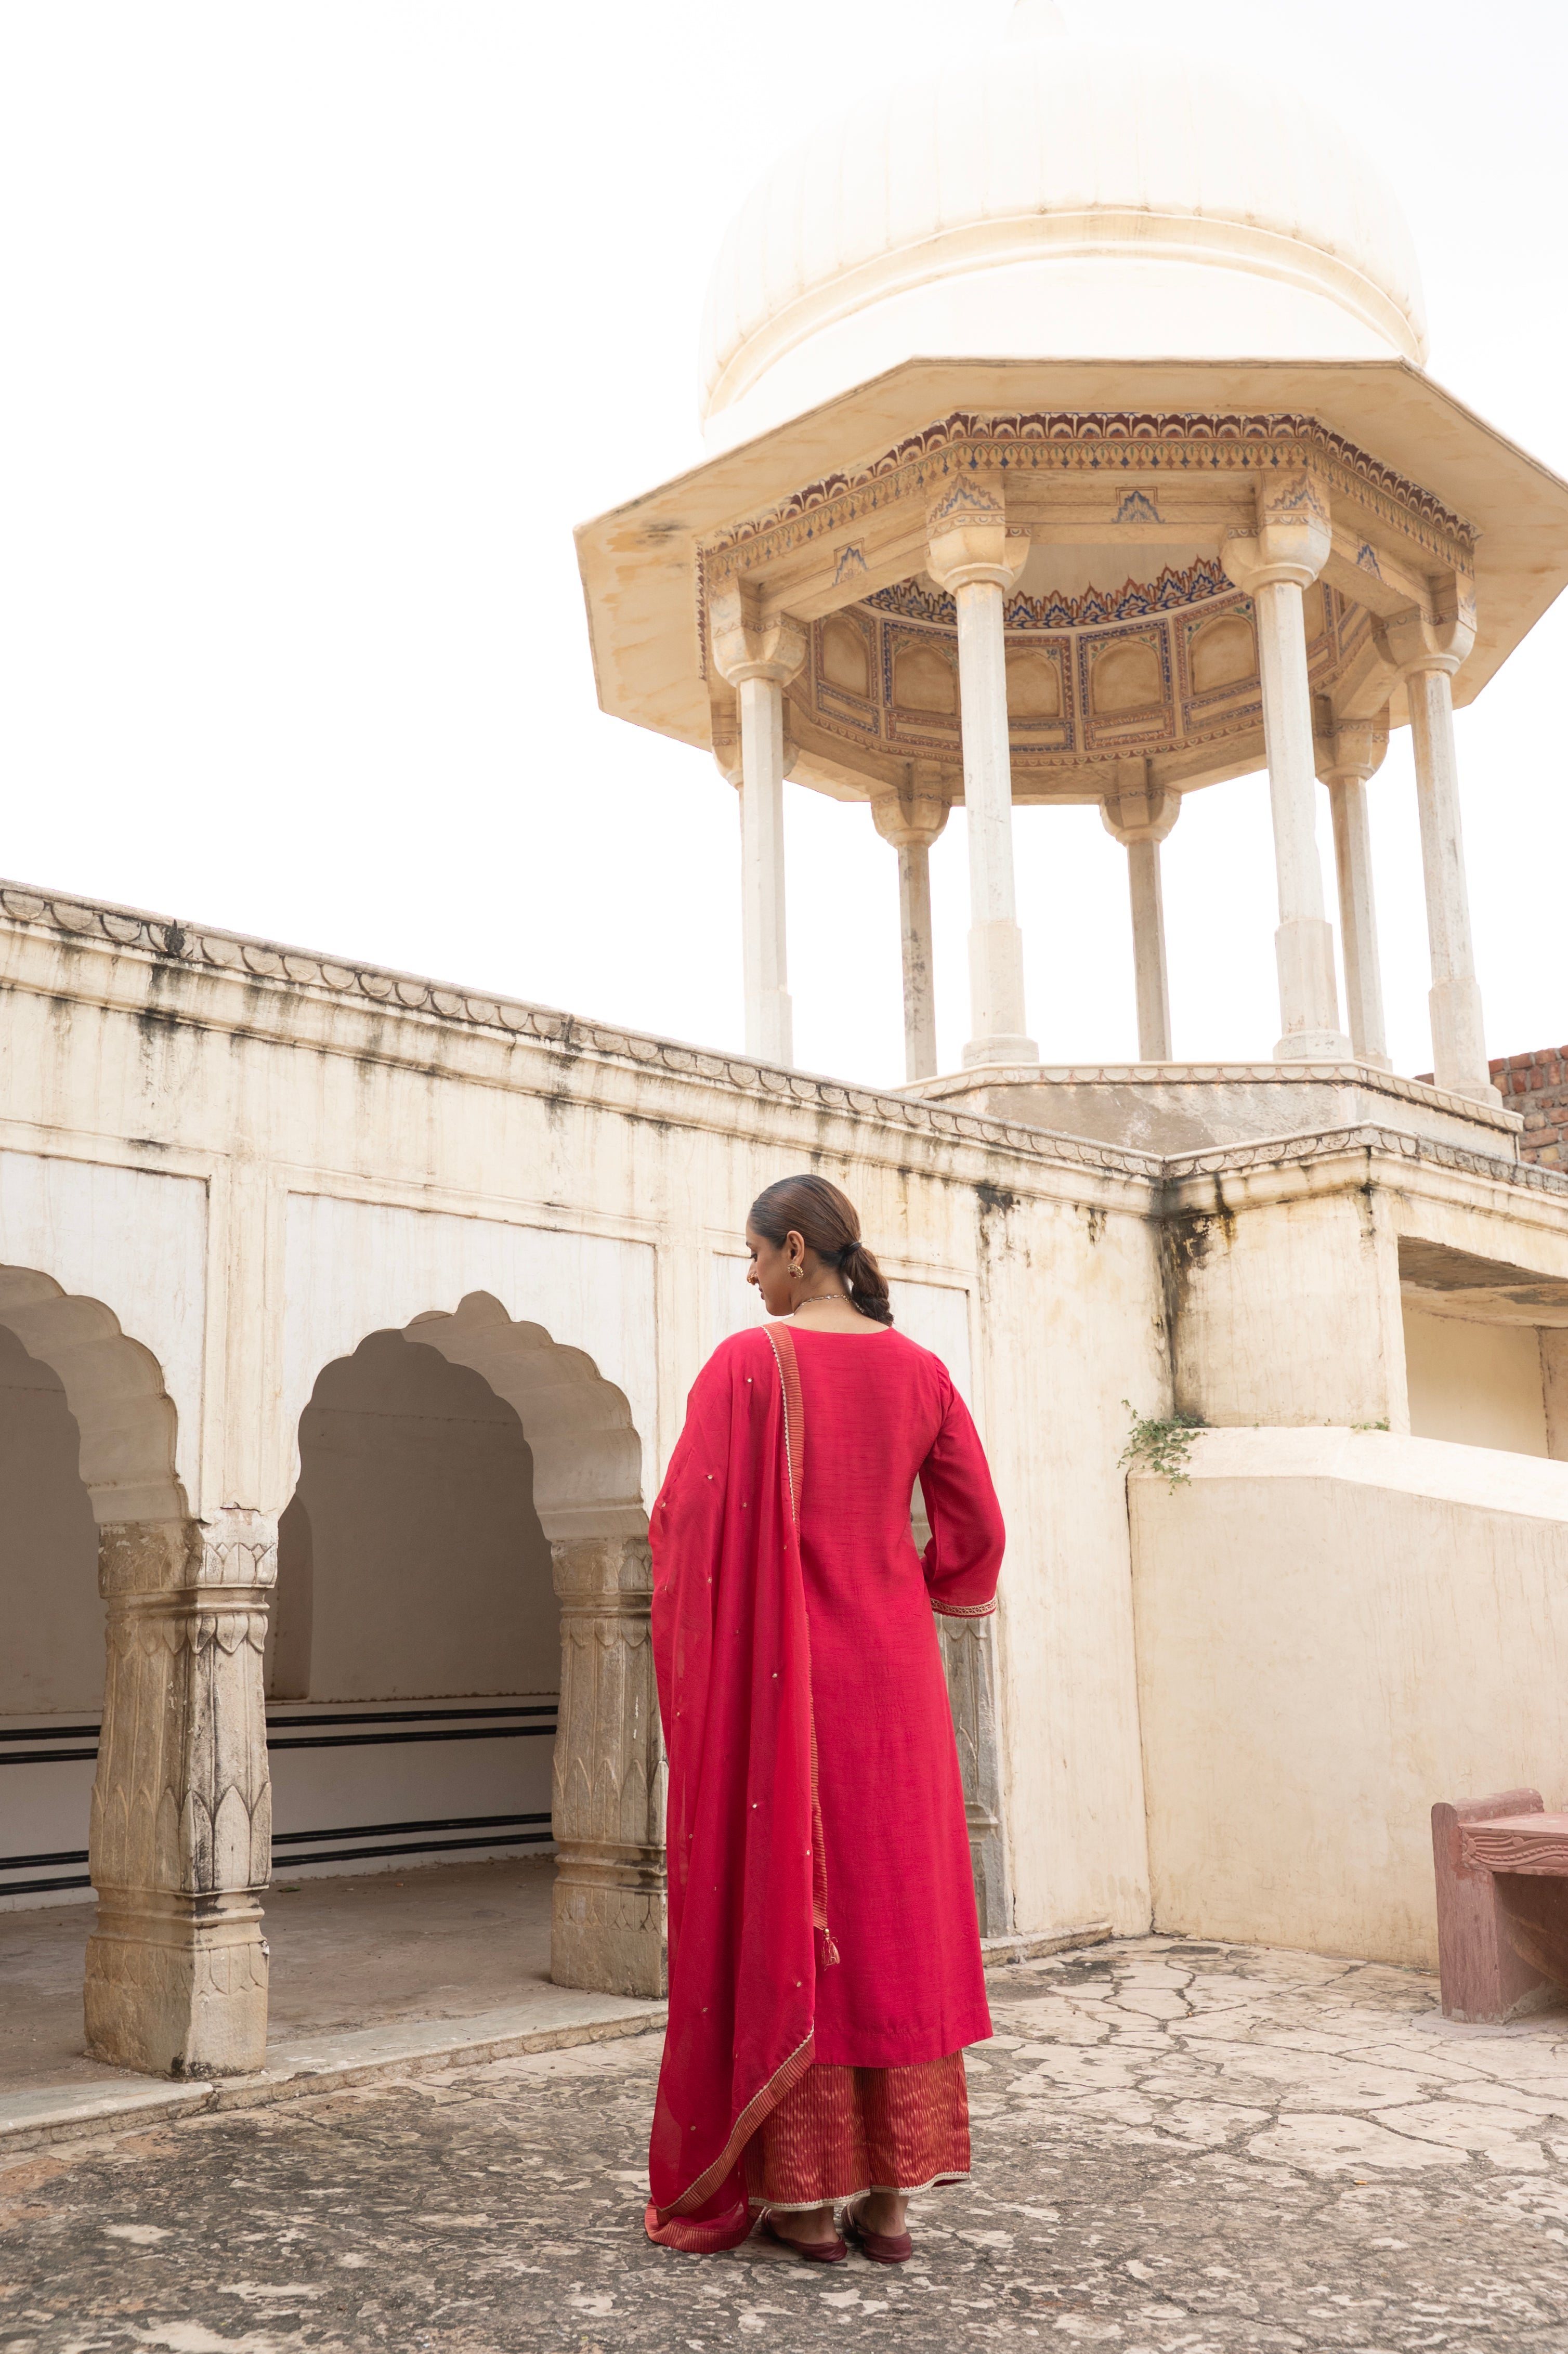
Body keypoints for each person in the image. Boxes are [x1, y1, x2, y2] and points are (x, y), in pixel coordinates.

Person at [643, 1173, 1006, 2264]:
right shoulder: (921, 1369)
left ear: (796, 1250)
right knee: (894, 1915)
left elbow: (685, 1521)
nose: (747, 1274)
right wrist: (915, 1585)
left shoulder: (750, 1366)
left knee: (800, 1912)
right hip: (893, 1680)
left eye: (753, 1254)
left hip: (786, 1684)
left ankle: (804, 2199)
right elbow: (974, 1531)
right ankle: (891, 2199)